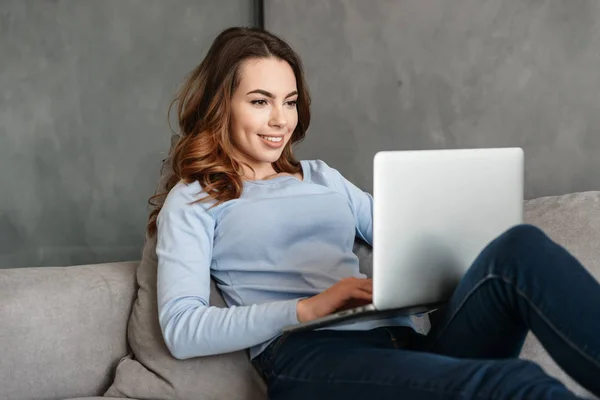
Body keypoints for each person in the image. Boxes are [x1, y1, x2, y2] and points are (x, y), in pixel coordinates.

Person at [147, 26, 600, 400]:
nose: (281, 120)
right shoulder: (195, 199)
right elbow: (183, 328)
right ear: (220, 104)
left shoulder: (325, 178)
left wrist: (455, 257)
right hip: (313, 357)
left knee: (518, 247)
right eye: (260, 101)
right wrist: (306, 309)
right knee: (517, 385)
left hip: (411, 346)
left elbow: (407, 245)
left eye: (289, 101)